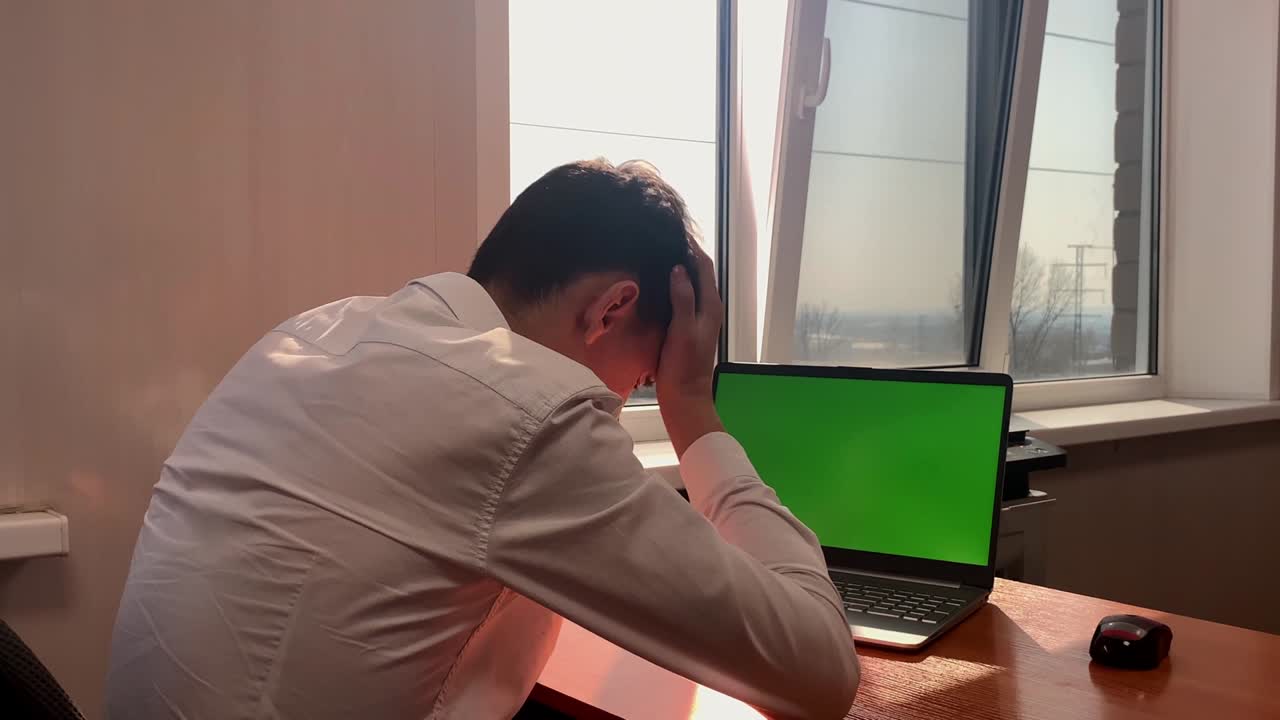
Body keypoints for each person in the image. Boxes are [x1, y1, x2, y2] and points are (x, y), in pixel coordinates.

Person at [105, 159, 859, 719]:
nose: (634, 395)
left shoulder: (307, 336)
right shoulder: (526, 411)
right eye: (642, 376)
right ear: (611, 310)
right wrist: (691, 404)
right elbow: (821, 671)